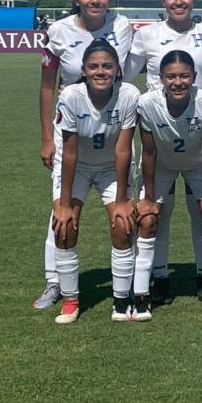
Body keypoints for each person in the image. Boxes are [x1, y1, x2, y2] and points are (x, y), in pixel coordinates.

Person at [126, 0, 202, 305]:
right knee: (158, 211)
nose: (178, 2)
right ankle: (159, 276)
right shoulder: (146, 35)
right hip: (160, 133)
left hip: (199, 132)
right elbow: (126, 76)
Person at [34, 0, 132, 310]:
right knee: (61, 209)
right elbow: (48, 86)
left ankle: (129, 283)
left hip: (112, 132)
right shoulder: (58, 31)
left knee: (122, 211)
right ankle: (54, 282)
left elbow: (132, 72)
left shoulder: (122, 26)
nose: (95, 0)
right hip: (71, 132)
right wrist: (48, 136)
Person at [135, 50, 202, 320]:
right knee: (150, 219)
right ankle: (158, 279)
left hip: (197, 164)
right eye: (171, 76)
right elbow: (149, 153)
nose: (178, 82)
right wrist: (149, 197)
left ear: (194, 76)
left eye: (184, 75)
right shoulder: (148, 103)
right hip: (161, 163)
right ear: (160, 78)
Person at [51, 39, 139, 324]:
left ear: (117, 70)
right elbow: (70, 152)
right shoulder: (71, 96)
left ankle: (121, 300)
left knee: (123, 223)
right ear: (84, 70)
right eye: (94, 66)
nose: (101, 71)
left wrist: (123, 200)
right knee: (64, 226)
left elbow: (123, 149)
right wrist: (64, 204)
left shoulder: (129, 94)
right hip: (76, 167)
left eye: (107, 66)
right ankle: (70, 300)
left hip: (112, 167)